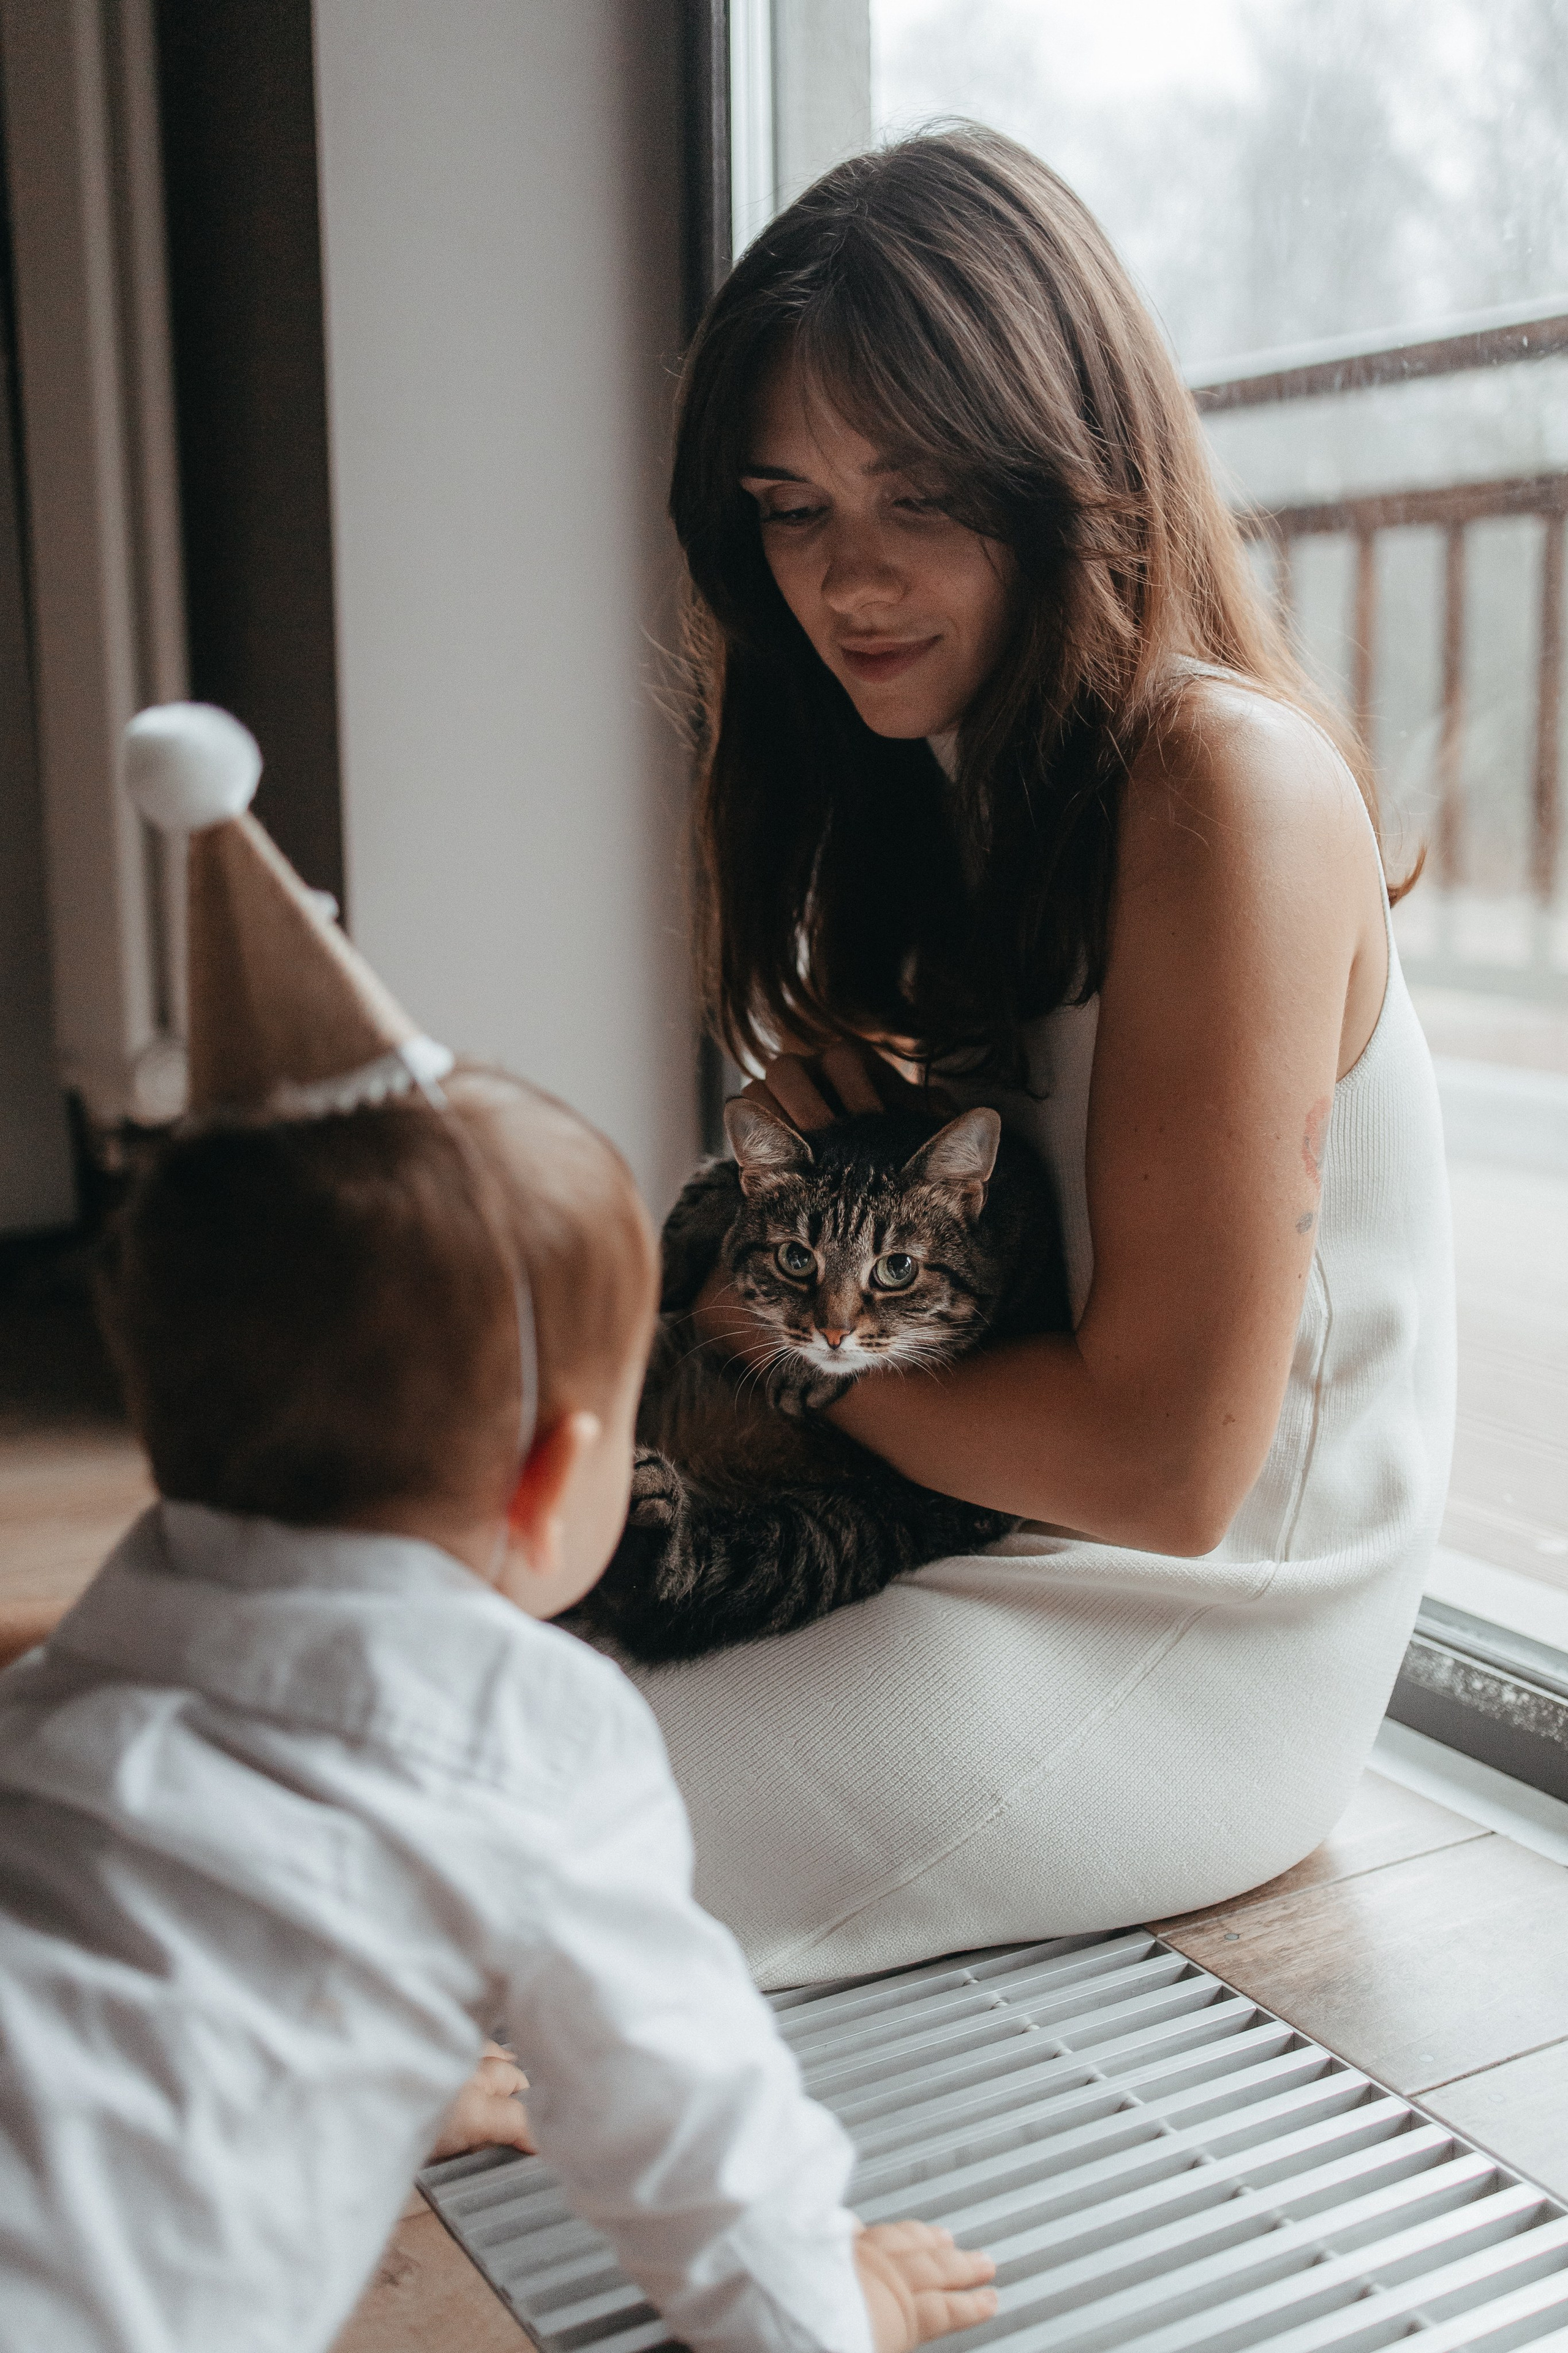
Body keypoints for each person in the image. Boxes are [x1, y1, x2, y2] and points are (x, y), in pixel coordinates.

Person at [0, 706, 997, 2353]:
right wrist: (841, 2302)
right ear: (554, 1489)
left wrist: (362, 2070)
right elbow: (691, 2128)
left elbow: (149, 1986)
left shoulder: (89, 1659)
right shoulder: (536, 1740)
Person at [624, 127, 1456, 1989]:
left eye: (914, 493)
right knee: (334, 1715)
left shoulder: (1219, 786)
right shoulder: (981, 778)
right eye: (789, 505)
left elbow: (1171, 1469)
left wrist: (770, 1346)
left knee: (437, 1823)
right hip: (994, 1531)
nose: (846, 581)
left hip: (1192, 1630)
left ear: (1061, 475)